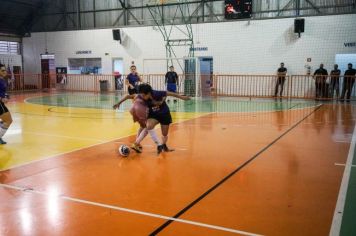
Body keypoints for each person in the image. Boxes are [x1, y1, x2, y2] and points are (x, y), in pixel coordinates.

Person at [138, 83, 190, 154]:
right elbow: (130, 97)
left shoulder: (157, 93)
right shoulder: (141, 97)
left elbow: (170, 93)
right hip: (153, 114)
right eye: (141, 95)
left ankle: (164, 145)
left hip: (164, 113)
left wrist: (182, 97)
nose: (143, 97)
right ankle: (139, 143)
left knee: (164, 134)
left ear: (149, 93)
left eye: (144, 95)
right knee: (149, 126)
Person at [0, 64, 13, 144]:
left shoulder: (2, 80)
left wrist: (6, 96)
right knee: (8, 120)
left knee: (8, 120)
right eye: (2, 70)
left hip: (1, 103)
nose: (5, 72)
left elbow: (2, 92)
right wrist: (1, 98)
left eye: (5, 70)